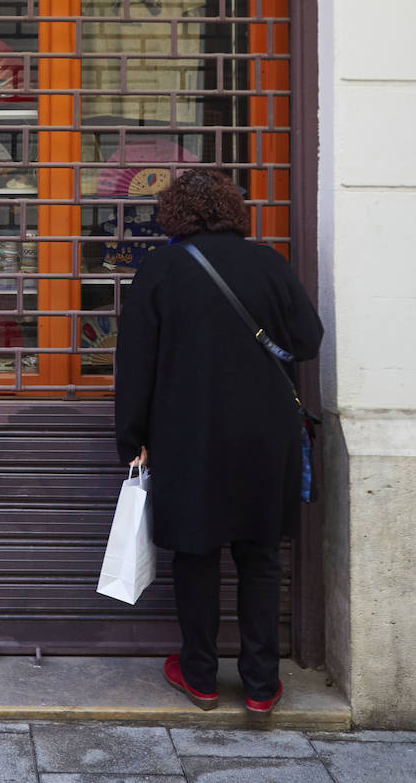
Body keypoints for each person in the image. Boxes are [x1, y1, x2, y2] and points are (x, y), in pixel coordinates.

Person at [113, 167, 323, 714]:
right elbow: (307, 339)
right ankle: (261, 685)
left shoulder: (160, 270)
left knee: (196, 552)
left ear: (174, 213)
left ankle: (201, 675)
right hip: (265, 431)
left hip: (189, 431)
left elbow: (135, 363)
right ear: (234, 210)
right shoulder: (270, 263)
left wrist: (132, 436)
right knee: (260, 555)